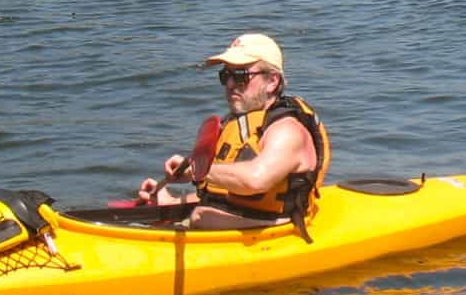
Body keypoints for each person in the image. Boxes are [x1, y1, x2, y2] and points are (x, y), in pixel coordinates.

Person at [138, 32, 331, 233]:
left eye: (240, 76)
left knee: (200, 216)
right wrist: (171, 201)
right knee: (197, 214)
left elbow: (256, 179)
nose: (230, 85)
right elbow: (223, 193)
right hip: (242, 219)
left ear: (272, 81)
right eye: (226, 75)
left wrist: (198, 170)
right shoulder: (239, 125)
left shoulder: (288, 130)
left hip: (279, 231)